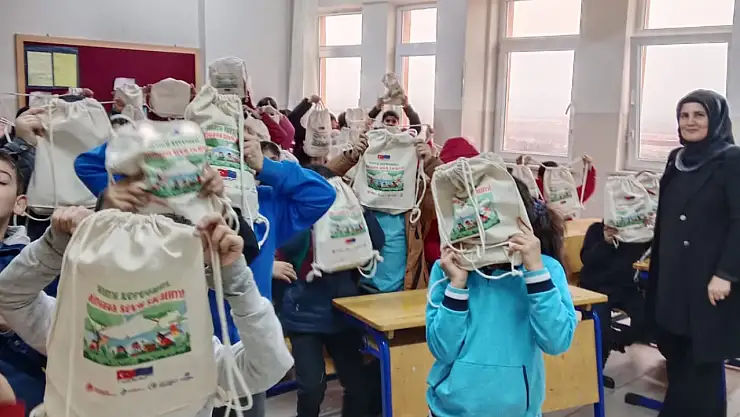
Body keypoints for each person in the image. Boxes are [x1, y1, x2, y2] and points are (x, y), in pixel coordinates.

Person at [75, 131, 335, 417]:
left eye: (249, 143)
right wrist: (163, 139)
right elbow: (87, 166)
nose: (236, 148)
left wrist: (267, 167)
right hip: (181, 346)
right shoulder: (175, 204)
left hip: (247, 349)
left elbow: (322, 194)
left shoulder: (268, 205)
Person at [0, 207, 293, 417]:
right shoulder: (80, 327)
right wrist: (53, 246)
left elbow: (268, 364)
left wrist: (235, 279)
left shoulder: (198, 357)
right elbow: (10, 297)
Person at [425, 190, 577, 417]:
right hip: (449, 411)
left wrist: (536, 272)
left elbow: (557, 342)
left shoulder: (545, 268)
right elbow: (442, 350)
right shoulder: (447, 270)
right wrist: (457, 285)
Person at [647, 89, 740, 417]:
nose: (690, 121)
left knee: (702, 360)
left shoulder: (731, 159)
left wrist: (726, 274)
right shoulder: (677, 159)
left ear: (716, 119)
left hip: (709, 280)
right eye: (684, 115)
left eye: (699, 115)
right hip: (673, 277)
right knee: (677, 353)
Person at [277, 164, 385, 417]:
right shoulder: (295, 216)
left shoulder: (348, 215)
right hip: (304, 317)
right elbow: (289, 247)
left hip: (343, 314)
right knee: (311, 387)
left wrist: (357, 208)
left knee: (356, 385)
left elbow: (377, 241)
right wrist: (312, 215)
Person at [326, 132, 440, 293]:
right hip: (359, 289)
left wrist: (430, 163)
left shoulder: (417, 198)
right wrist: (351, 156)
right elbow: (322, 178)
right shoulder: (354, 196)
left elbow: (454, 191)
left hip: (403, 290)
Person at [580, 222, 650, 365]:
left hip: (626, 288)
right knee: (601, 331)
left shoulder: (637, 233)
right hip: (596, 288)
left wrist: (649, 228)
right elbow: (586, 259)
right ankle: (598, 367)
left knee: (648, 321)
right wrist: (606, 243)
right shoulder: (596, 229)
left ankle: (616, 341)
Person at [518, 155, 597, 204]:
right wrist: (589, 167)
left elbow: (520, 184)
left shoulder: (533, 188)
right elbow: (587, 189)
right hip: (563, 224)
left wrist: (521, 167)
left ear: (539, 177)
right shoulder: (567, 192)